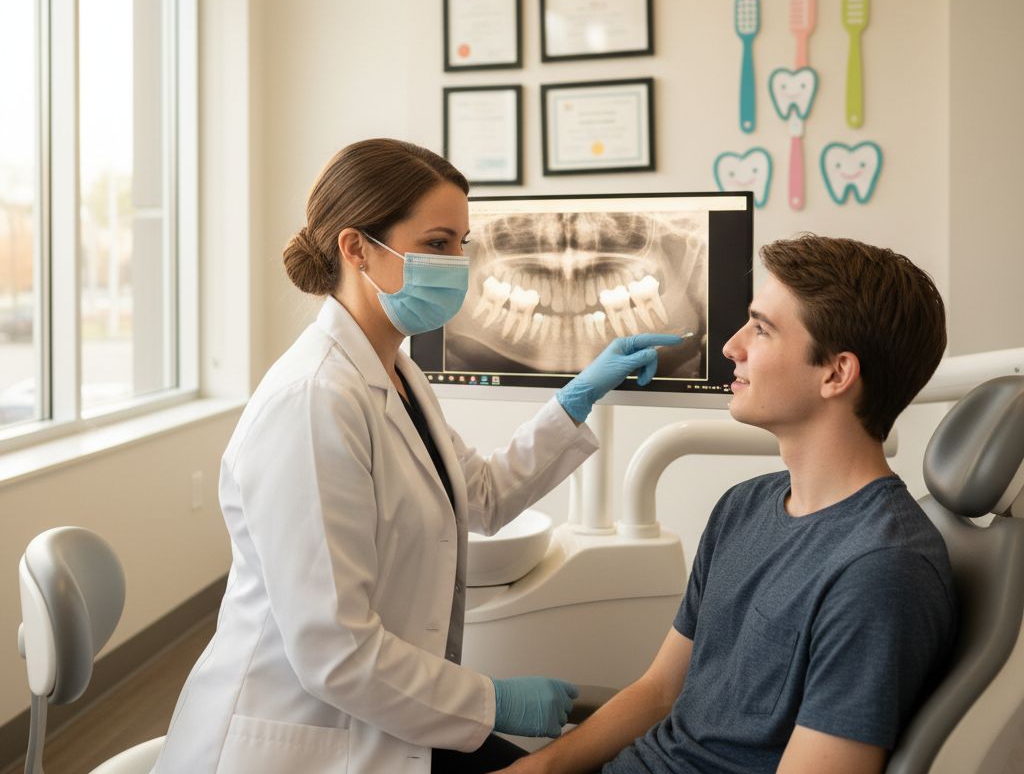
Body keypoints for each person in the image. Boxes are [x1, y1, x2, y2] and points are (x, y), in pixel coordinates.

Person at [154, 138, 682, 774]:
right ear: (356, 249)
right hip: (302, 739)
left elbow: (479, 496)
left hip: (381, 716)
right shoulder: (314, 400)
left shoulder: (394, 370)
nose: (458, 263)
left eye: (462, 243)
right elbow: (333, 652)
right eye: (436, 244)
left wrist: (574, 401)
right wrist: (490, 702)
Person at [499, 234, 957, 774]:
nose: (731, 347)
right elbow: (661, 692)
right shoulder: (745, 505)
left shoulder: (880, 571)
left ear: (836, 373)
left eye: (761, 329)